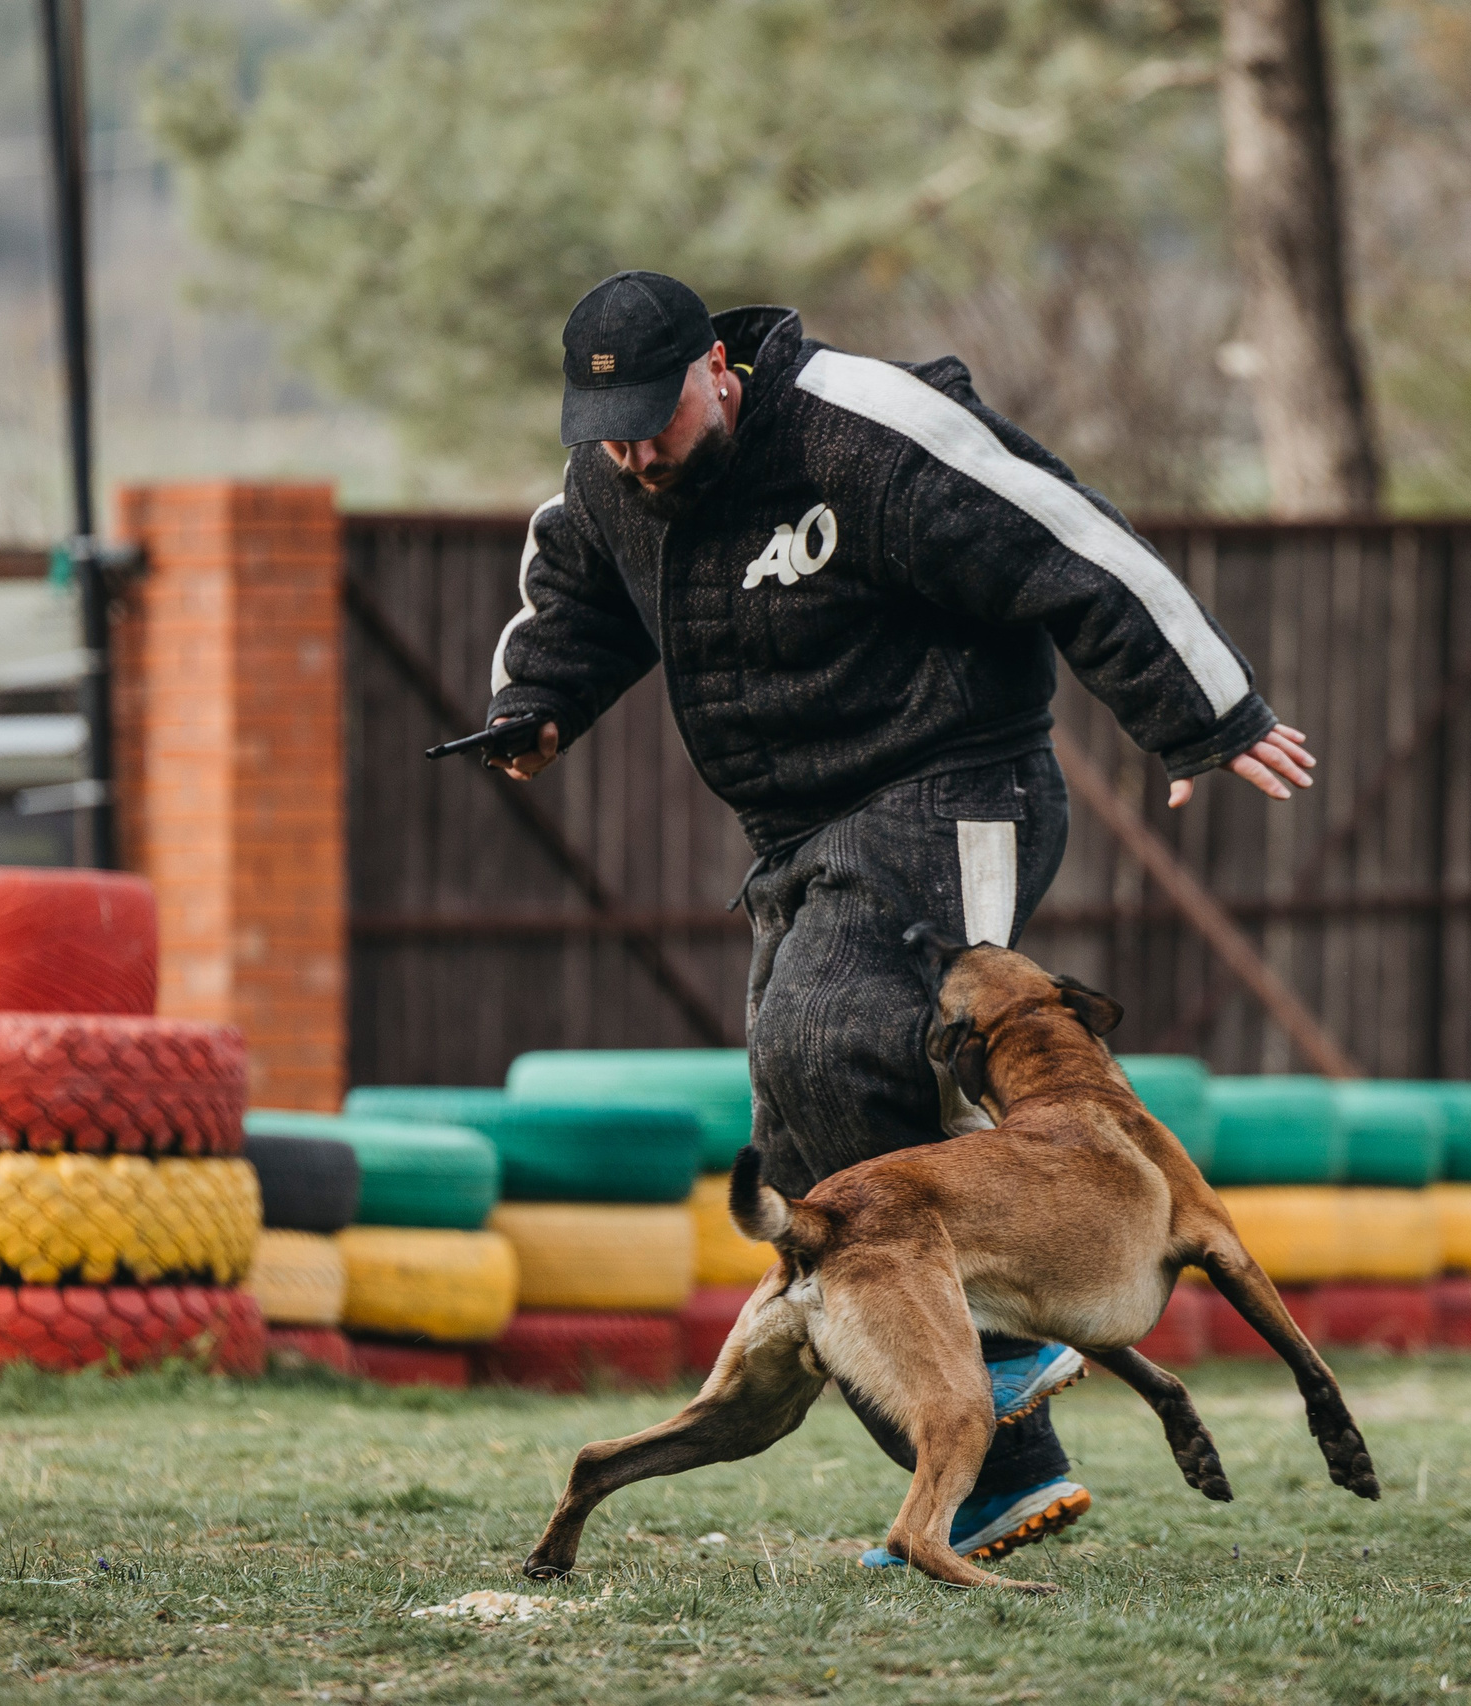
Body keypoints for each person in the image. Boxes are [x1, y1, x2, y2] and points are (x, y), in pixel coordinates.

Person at [483, 270, 1315, 1567]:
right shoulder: (615, 481)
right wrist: (534, 706)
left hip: (957, 783)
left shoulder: (860, 431)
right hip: (797, 837)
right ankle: (994, 1479)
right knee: (802, 1150)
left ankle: (1029, 1303)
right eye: (612, 432)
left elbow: (1065, 535)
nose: (638, 451)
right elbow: (572, 592)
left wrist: (1208, 711)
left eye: (658, 417)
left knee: (836, 1034)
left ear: (717, 369)